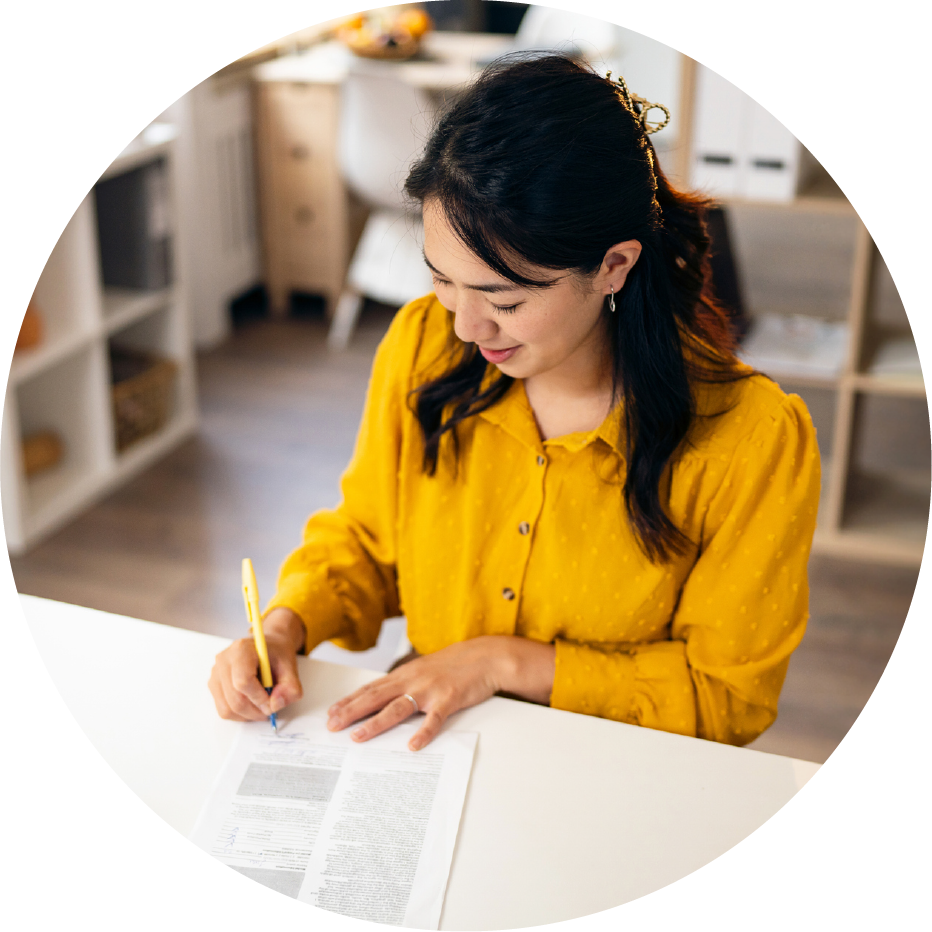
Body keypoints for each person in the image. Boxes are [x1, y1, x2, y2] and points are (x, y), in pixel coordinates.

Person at [208, 55, 820, 753]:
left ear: (614, 266)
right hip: (432, 745)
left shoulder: (749, 438)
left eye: (505, 299)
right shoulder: (423, 345)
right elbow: (369, 540)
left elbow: (727, 696)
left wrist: (502, 662)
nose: (467, 326)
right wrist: (288, 623)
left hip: (617, 769)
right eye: (442, 279)